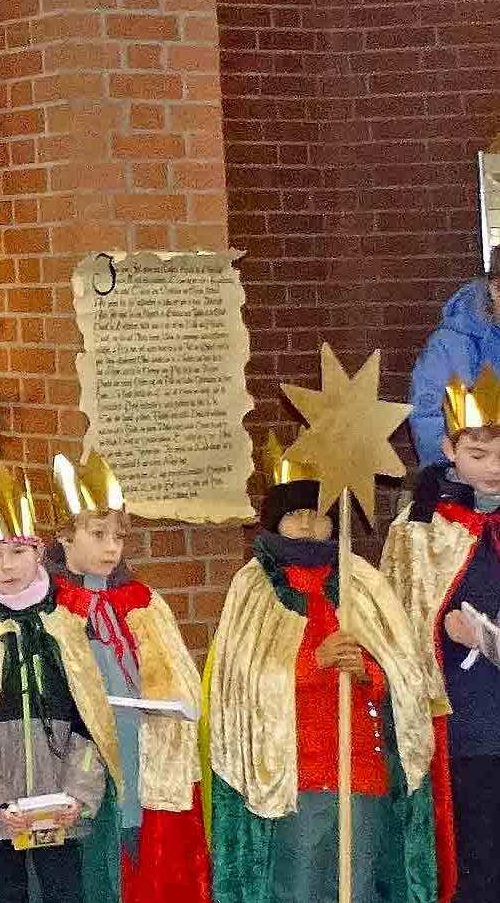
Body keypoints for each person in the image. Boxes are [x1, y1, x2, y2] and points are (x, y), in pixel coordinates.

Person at [206, 439, 439, 903]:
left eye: (322, 515)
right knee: (303, 885)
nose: (312, 526)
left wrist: (370, 671)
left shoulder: (363, 582)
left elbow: (408, 673)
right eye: (299, 515)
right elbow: (241, 684)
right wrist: (316, 663)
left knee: (359, 884)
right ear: (277, 521)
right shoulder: (254, 586)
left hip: (363, 769)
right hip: (299, 775)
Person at [0, 462, 117, 903]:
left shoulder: (63, 624)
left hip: (62, 804)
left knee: (65, 892)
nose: (8, 566)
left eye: (18, 552)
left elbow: (90, 720)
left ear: (39, 552)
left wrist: (77, 795)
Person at [44, 453, 206, 903]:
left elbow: (178, 675)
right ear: (65, 535)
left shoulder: (143, 601)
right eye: (97, 535)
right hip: (78, 754)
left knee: (141, 852)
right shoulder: (49, 604)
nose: (111, 547)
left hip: (142, 746)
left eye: (118, 536)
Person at [380, 366, 500, 903]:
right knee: (478, 863)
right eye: (478, 455)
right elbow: (397, 617)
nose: (494, 468)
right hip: (468, 722)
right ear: (450, 448)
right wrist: (442, 627)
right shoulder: (422, 528)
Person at [411, 246, 500, 467]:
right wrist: (449, 472)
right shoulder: (451, 344)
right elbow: (427, 414)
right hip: (468, 479)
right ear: (495, 289)